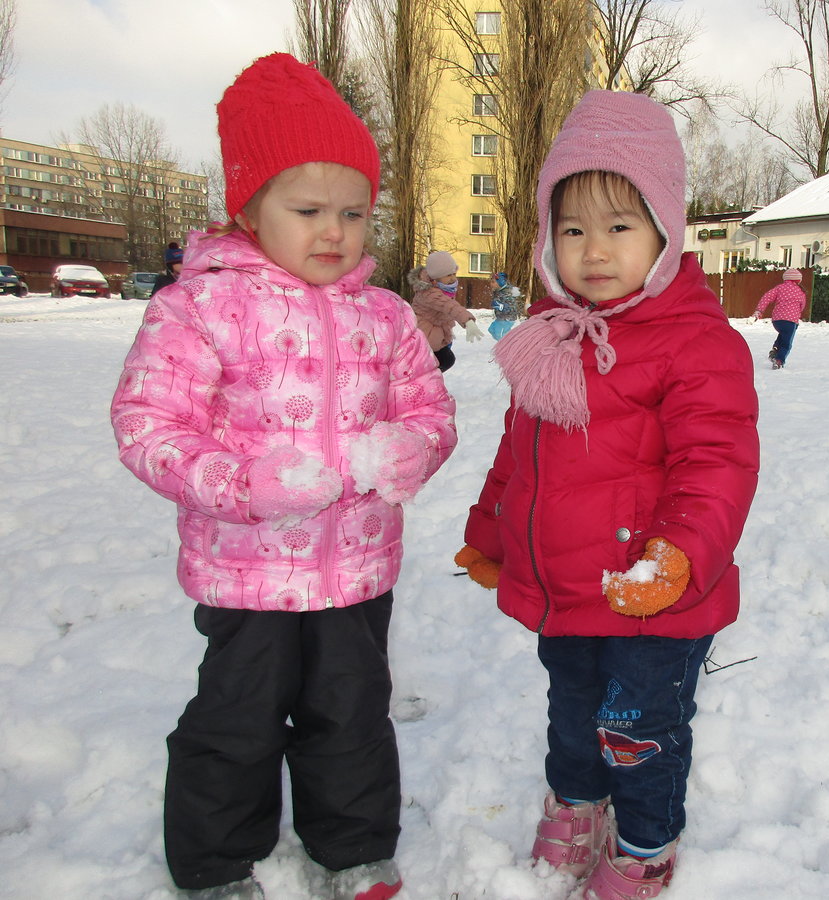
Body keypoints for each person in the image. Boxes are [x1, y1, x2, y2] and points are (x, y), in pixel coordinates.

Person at [110, 53, 458, 900]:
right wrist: (244, 485)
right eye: (307, 210)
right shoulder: (199, 308)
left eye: (353, 212)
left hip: (355, 568)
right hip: (247, 574)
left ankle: (354, 850)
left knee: (352, 714)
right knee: (238, 719)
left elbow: (429, 411)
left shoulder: (386, 316)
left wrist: (410, 450)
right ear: (249, 209)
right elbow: (148, 425)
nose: (334, 231)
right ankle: (215, 861)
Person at [454, 90, 759, 898]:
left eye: (620, 226)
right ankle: (578, 806)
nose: (593, 250)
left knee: (639, 731)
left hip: (653, 597)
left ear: (664, 231)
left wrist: (676, 556)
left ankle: (647, 844)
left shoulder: (697, 343)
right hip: (566, 591)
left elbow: (717, 462)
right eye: (572, 229)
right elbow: (520, 455)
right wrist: (491, 535)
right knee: (573, 715)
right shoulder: (551, 337)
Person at [406, 250, 484, 371]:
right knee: (446, 360)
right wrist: (467, 320)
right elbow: (449, 306)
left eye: (454, 273)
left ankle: (428, 377)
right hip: (426, 334)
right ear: (435, 277)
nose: (453, 278)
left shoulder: (444, 287)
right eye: (448, 275)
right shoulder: (429, 293)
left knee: (444, 359)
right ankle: (424, 377)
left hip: (438, 331)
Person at [751, 268, 807, 369]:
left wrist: (759, 310)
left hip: (777, 320)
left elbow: (766, 297)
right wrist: (797, 314)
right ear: (799, 280)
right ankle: (779, 360)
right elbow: (802, 306)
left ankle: (775, 349)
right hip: (791, 321)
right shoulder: (800, 291)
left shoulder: (779, 288)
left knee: (783, 334)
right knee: (786, 343)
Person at [487, 271, 524, 340]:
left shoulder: (507, 292)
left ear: (501, 282)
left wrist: (500, 306)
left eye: (493, 282)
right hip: (500, 317)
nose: (491, 284)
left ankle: (508, 344)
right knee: (492, 330)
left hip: (507, 318)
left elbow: (512, 306)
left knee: (500, 335)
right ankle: (509, 341)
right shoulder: (499, 291)